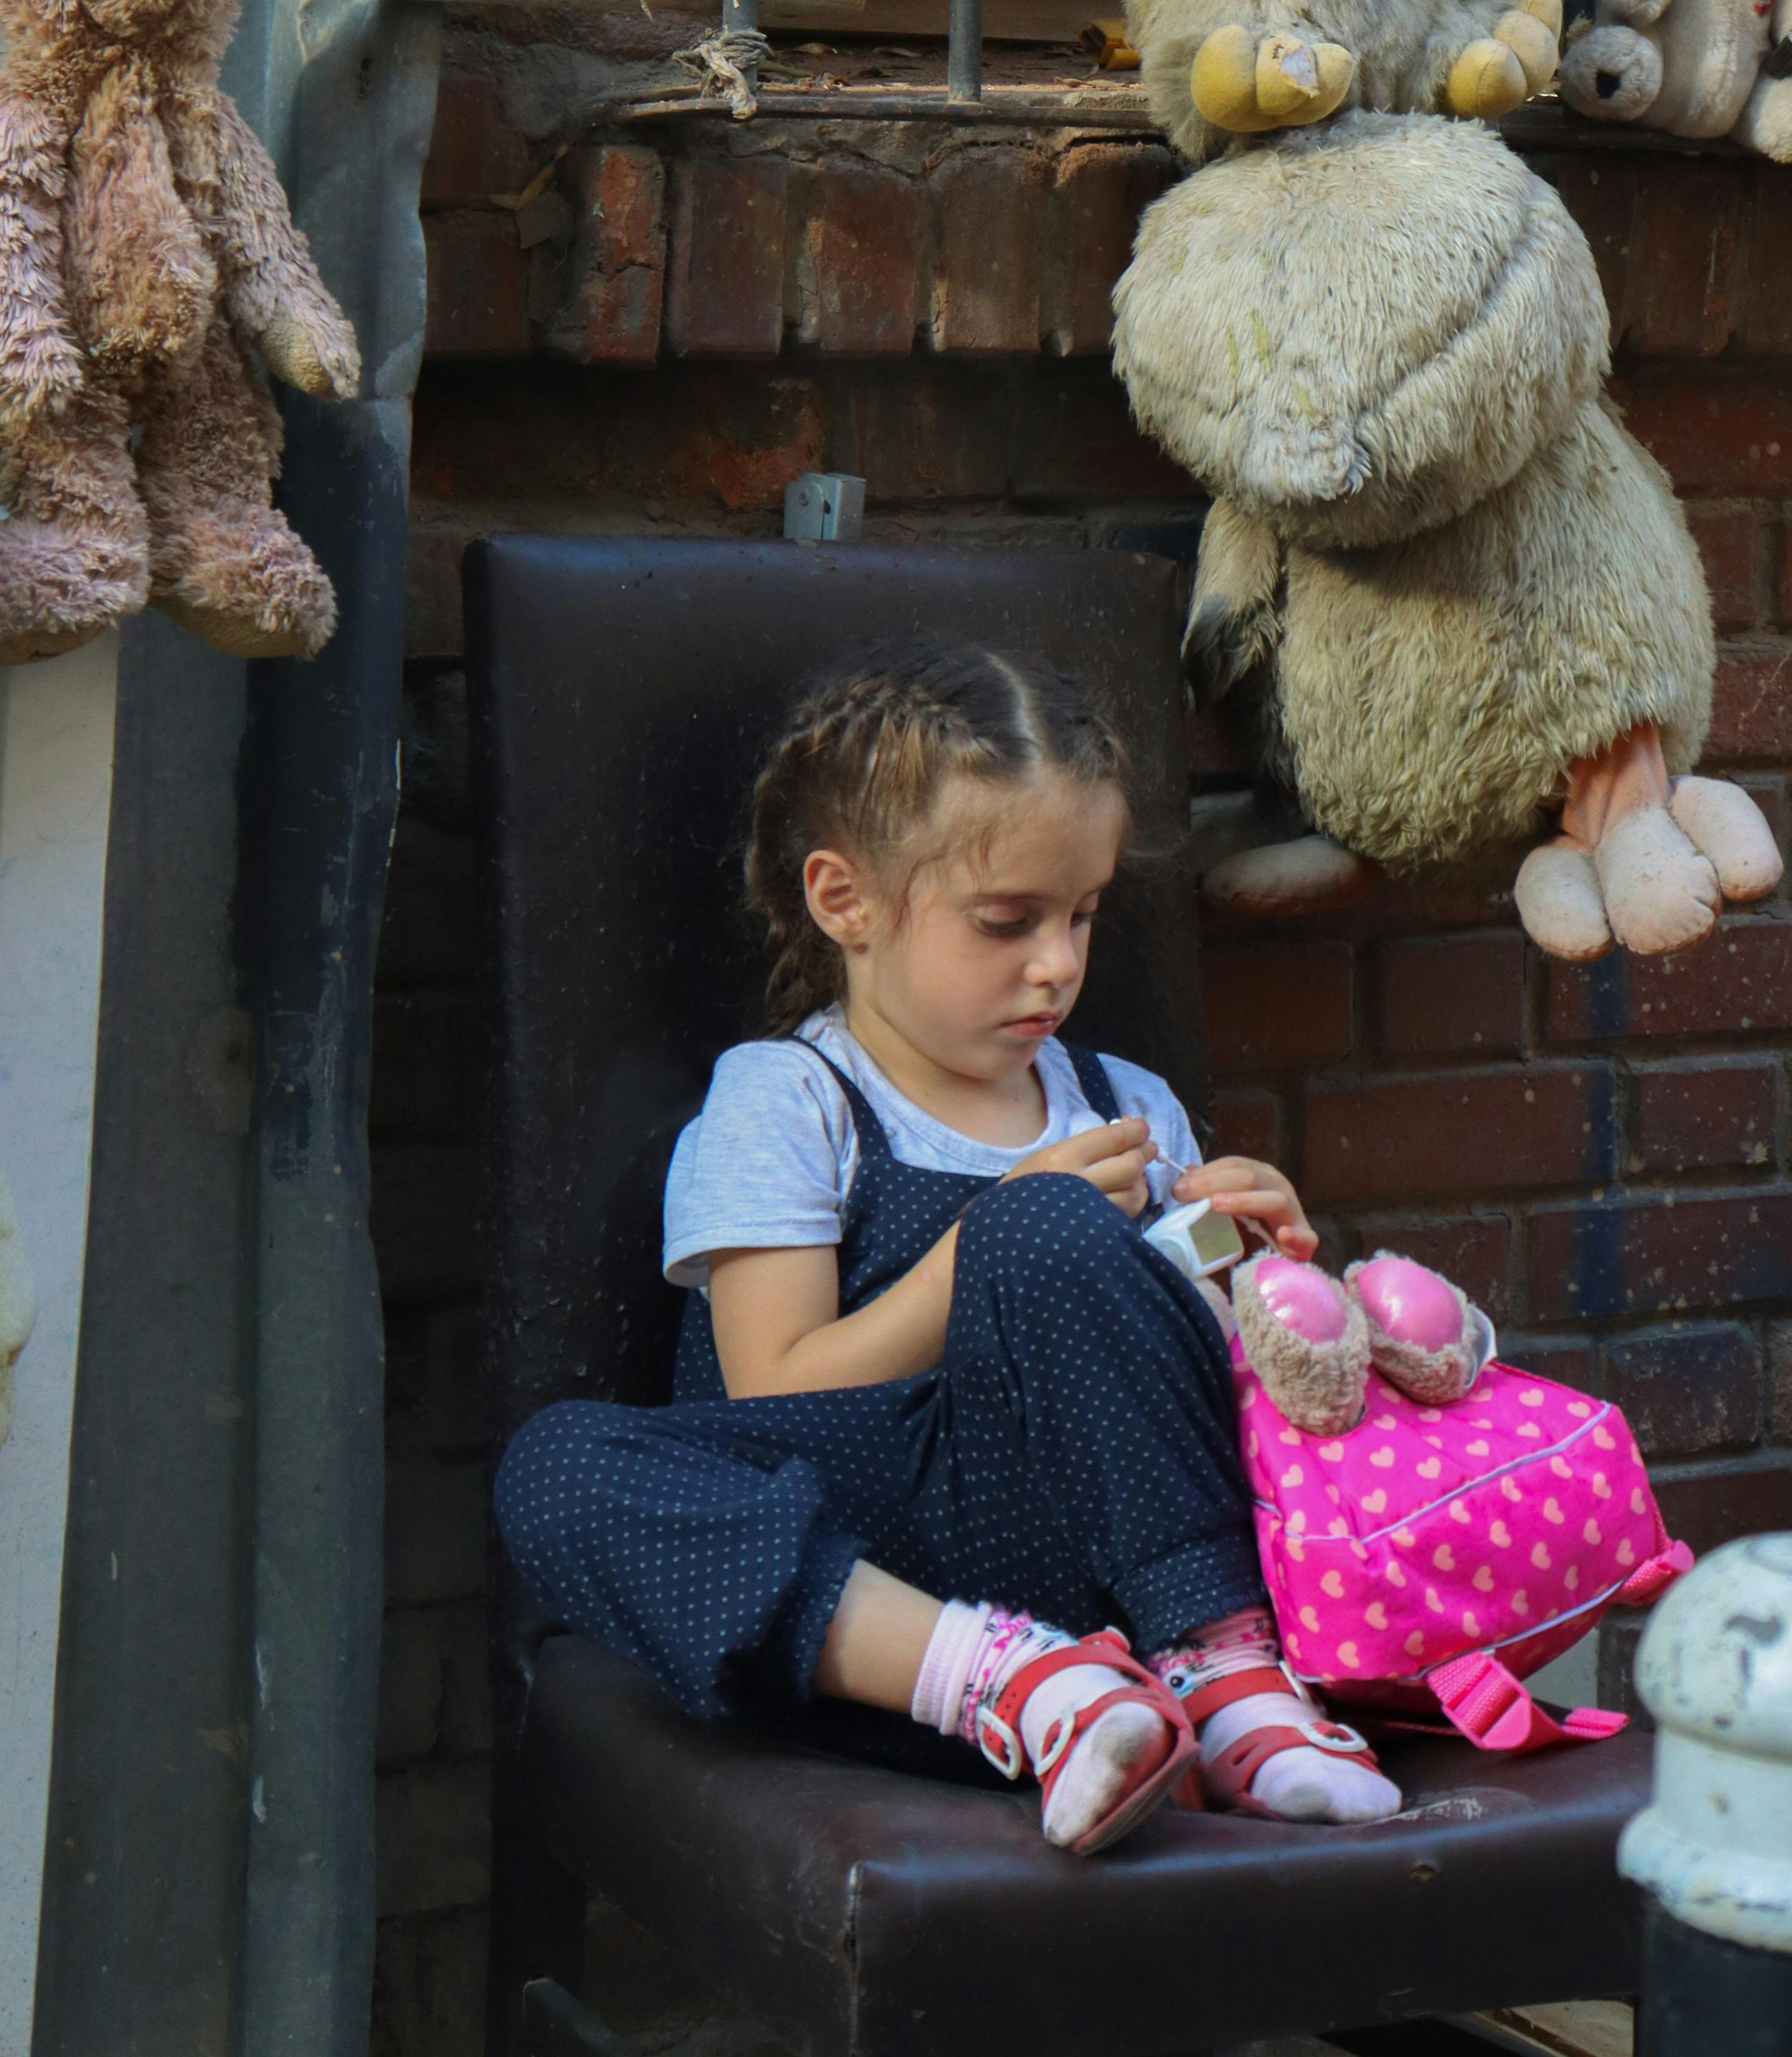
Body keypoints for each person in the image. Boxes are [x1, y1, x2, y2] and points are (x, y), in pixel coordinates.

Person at [495, 641, 1402, 1854]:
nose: (1059, 965)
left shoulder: (1118, 1103)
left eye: (1080, 916)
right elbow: (772, 1385)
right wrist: (987, 1235)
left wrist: (1260, 1277)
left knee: (1051, 1234)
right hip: (873, 1617)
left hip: (1114, 1574)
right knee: (550, 1468)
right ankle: (1030, 1691)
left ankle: (1228, 1686)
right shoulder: (787, 1098)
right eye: (1005, 921)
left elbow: (1201, 1415)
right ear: (842, 902)